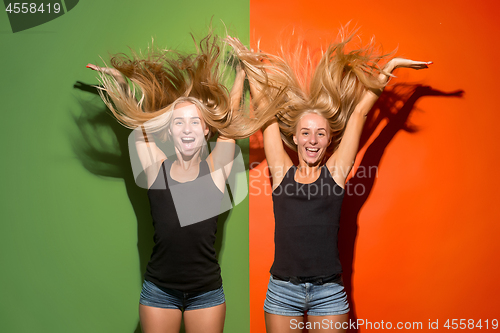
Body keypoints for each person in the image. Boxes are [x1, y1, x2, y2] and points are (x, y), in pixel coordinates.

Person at [227, 32, 432, 332]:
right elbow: (265, 111)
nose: (312, 140)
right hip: (283, 292)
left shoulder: (335, 174)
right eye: (306, 132)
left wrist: (392, 67)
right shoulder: (282, 172)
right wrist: (248, 69)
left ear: (329, 140)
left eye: (320, 133)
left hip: (328, 294)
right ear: (295, 137)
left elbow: (360, 113)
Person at [87, 32, 258, 333]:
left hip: (206, 293)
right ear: (169, 132)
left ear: (206, 130)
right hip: (159, 292)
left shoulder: (216, 169)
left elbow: (229, 120)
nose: (187, 129)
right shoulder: (155, 169)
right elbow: (137, 119)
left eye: (195, 122)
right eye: (179, 122)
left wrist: (241, 74)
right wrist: (123, 85)